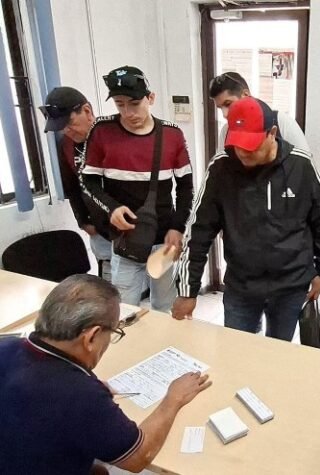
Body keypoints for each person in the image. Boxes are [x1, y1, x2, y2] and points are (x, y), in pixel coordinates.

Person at [0, 274, 211, 475]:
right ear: (91, 337)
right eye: (113, 332)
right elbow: (138, 457)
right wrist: (173, 399)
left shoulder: (6, 345)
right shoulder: (81, 395)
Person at [172, 97, 320, 342]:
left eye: (251, 146)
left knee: (277, 351)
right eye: (238, 144)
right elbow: (198, 231)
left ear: (272, 133)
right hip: (241, 287)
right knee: (236, 351)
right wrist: (188, 291)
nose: (243, 153)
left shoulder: (300, 164)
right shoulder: (222, 167)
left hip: (290, 288)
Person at [81, 66, 194, 312]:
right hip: (125, 240)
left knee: (164, 306)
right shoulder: (102, 131)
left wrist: (178, 227)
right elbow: (87, 182)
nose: (128, 113)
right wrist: (111, 208)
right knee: (123, 309)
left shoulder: (172, 134)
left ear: (150, 98)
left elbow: (186, 188)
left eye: (134, 104)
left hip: (163, 240)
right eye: (120, 105)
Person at [39, 87, 112, 281]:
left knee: (141, 285)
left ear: (87, 111)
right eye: (62, 127)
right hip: (100, 229)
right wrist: (83, 221)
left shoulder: (116, 137)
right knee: (109, 286)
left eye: (70, 123)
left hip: (133, 229)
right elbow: (72, 187)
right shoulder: (66, 145)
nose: (67, 131)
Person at [208, 71, 309, 152]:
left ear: (245, 95)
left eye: (228, 104)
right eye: (220, 108)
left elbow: (305, 165)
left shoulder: (281, 122)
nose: (225, 114)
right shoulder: (226, 132)